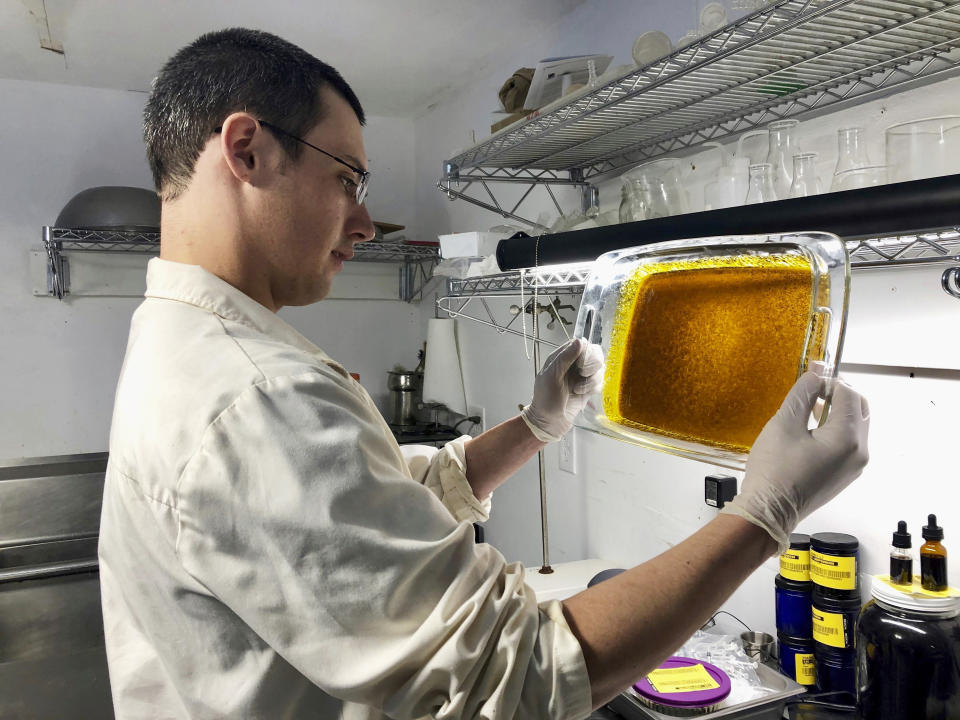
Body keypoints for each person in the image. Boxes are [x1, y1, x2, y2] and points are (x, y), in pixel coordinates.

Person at [98, 28, 870, 720]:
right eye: (348, 180)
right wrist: (765, 512)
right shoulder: (255, 394)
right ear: (247, 151)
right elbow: (519, 676)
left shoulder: (188, 343)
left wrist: (535, 427)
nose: (365, 222)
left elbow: (376, 502)